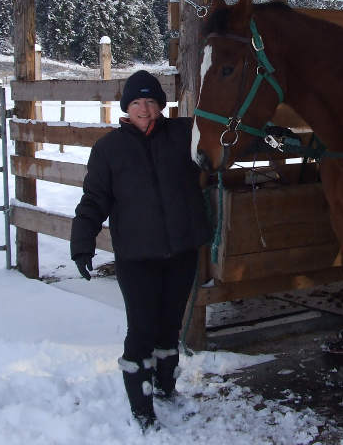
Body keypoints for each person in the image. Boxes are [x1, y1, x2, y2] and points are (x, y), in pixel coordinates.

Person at [70, 69, 210, 431]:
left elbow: (224, 134)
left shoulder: (183, 134)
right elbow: (94, 200)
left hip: (181, 252)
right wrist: (82, 243)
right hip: (137, 258)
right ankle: (142, 409)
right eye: (136, 102)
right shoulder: (109, 149)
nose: (144, 109)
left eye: (150, 101)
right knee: (142, 331)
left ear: (161, 106)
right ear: (126, 107)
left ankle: (166, 390)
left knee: (169, 327)